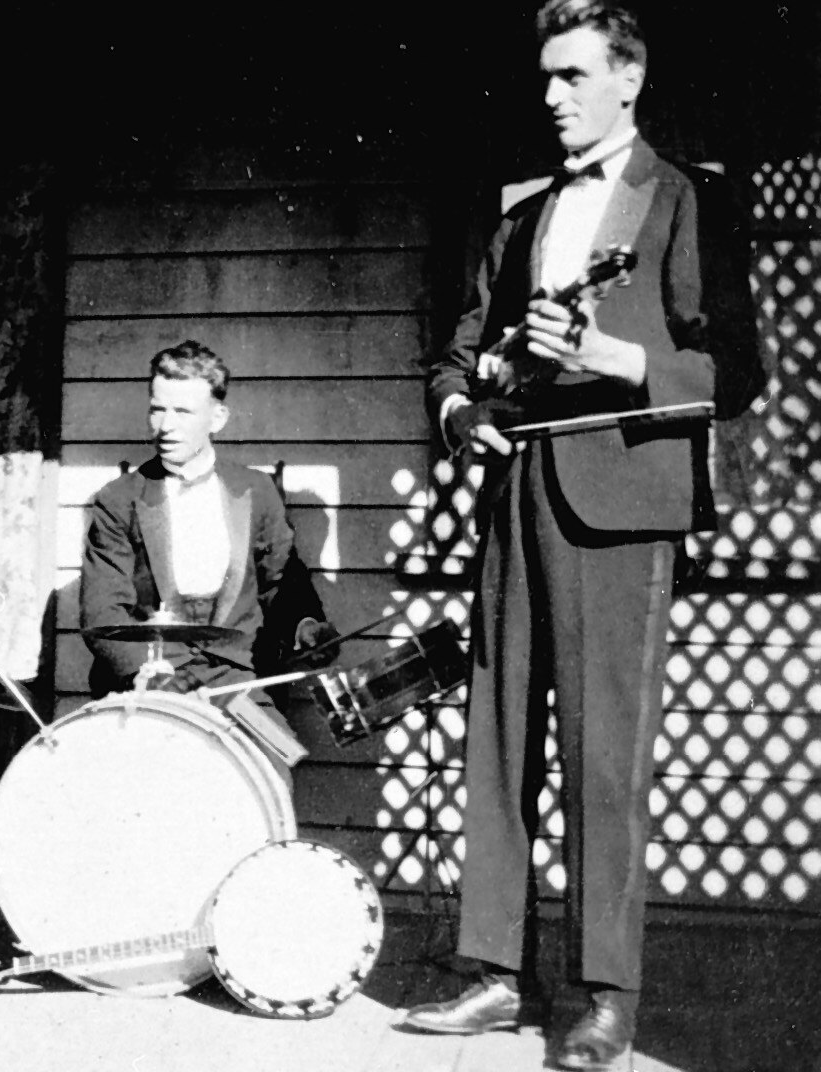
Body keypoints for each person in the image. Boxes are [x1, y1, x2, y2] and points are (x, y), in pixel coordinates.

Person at [399, 4, 764, 1069]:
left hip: (622, 503)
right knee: (497, 739)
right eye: (545, 77)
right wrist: (461, 413)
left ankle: (604, 996)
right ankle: (492, 973)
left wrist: (618, 359)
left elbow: (738, 372)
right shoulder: (521, 216)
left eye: (572, 76)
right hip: (517, 489)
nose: (551, 96)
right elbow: (456, 354)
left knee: (603, 758)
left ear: (627, 80)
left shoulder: (686, 199)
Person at [79, 340, 337, 777]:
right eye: (157, 410)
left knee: (272, 765)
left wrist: (306, 626)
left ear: (217, 418)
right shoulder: (118, 500)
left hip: (235, 679)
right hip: (152, 676)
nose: (166, 426)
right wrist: (151, 679)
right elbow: (102, 612)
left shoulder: (255, 491)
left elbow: (282, 582)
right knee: (151, 777)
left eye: (183, 412)